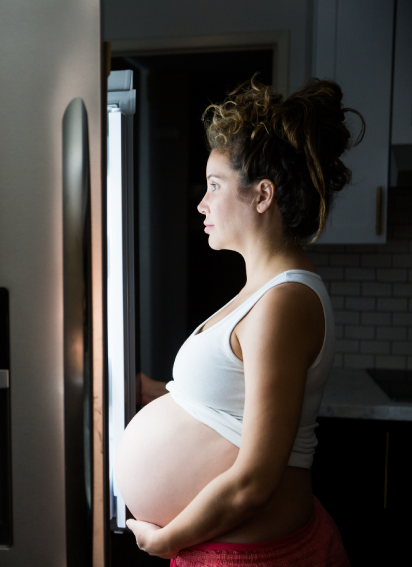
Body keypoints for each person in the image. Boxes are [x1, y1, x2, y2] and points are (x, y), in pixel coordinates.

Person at [116, 77, 362, 566]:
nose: (203, 204)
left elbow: (256, 478)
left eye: (214, 185)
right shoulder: (261, 292)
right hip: (225, 549)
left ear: (263, 195)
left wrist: (168, 539)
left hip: (254, 557)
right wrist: (153, 391)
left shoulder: (285, 303)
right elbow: (232, 404)